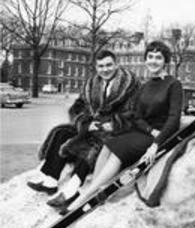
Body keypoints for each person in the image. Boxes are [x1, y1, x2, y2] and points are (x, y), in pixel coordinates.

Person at [63, 40, 183, 213]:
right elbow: (137, 117)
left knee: (120, 149)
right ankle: (94, 192)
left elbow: (174, 119)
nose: (153, 61)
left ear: (165, 61)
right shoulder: (145, 86)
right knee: (109, 144)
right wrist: (150, 130)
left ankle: (84, 196)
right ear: (145, 59)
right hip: (145, 132)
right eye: (150, 57)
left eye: (158, 57)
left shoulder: (173, 85)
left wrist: (156, 143)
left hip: (163, 136)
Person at [27, 49, 140, 208]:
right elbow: (78, 107)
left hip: (115, 129)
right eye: (101, 66)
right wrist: (86, 124)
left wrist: (114, 123)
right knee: (61, 132)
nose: (105, 69)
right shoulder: (91, 83)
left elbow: (135, 111)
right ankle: (51, 178)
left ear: (116, 64)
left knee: (95, 144)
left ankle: (74, 187)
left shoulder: (130, 84)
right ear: (96, 67)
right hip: (93, 124)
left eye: (109, 65)